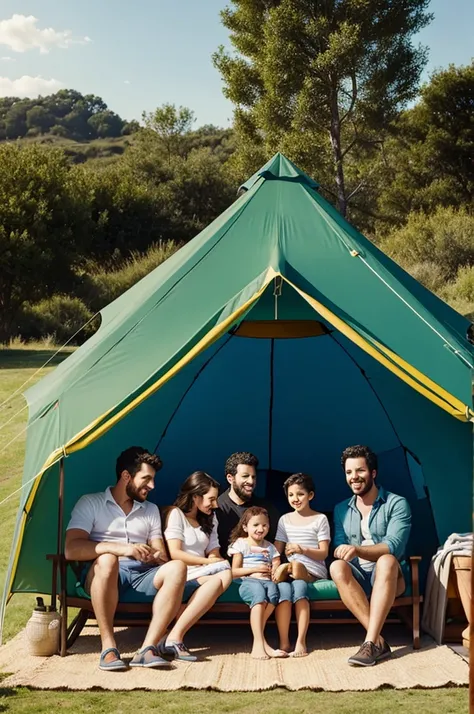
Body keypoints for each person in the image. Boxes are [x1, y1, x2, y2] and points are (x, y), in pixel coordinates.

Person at [65, 446, 188, 671]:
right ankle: (108, 647)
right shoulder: (90, 503)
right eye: (147, 479)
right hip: (104, 574)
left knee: (177, 566)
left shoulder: (150, 509)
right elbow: (71, 549)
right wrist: (123, 549)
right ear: (126, 476)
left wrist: (155, 555)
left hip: (143, 574)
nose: (152, 486)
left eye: (153, 480)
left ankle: (148, 648)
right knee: (108, 559)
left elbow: (160, 551)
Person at [330, 445, 412, 667]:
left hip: (390, 577)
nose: (354, 477)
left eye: (360, 471)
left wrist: (356, 549)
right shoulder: (341, 509)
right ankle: (379, 642)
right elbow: (338, 543)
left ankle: (368, 643)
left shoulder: (396, 503)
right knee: (336, 566)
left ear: (373, 473)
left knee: (386, 560)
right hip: (358, 576)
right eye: (348, 472)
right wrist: (342, 550)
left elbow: (393, 545)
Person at [163, 471, 232, 660]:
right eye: (211, 499)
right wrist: (208, 562)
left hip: (204, 570)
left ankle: (173, 635)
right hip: (181, 571)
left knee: (225, 572)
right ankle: (174, 637)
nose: (215, 504)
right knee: (223, 575)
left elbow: (213, 550)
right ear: (195, 496)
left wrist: (214, 558)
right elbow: (175, 554)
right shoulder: (176, 514)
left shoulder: (210, 518)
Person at [273, 473, 331, 657]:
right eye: (291, 495)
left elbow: (324, 552)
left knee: (298, 573)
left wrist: (302, 549)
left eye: (300, 494)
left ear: (310, 496)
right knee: (287, 588)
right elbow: (277, 550)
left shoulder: (320, 519)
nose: (295, 499)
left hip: (313, 569)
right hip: (291, 570)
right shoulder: (284, 520)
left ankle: (301, 641)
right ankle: (284, 642)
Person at [228, 506, 289, 660]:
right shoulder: (241, 543)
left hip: (267, 581)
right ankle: (258, 645)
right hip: (248, 580)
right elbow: (234, 571)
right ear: (245, 527)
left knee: (274, 594)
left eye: (264, 525)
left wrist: (275, 570)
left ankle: (262, 643)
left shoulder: (270, 547)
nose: (260, 528)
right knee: (260, 595)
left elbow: (276, 563)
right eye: (255, 525)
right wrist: (255, 569)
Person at [217, 451, 280, 552]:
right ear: (230, 478)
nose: (251, 481)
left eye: (253, 477)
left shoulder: (266, 508)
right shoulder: (217, 508)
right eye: (245, 476)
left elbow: (278, 541)